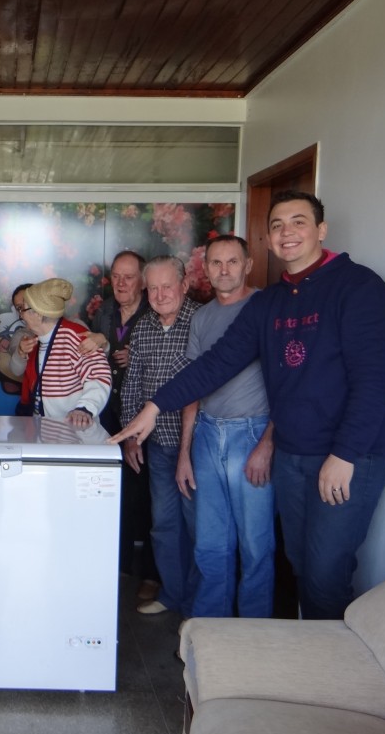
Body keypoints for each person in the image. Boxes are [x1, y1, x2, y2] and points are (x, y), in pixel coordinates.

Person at [110, 191, 385, 620]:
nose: (287, 232)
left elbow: (375, 379)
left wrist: (345, 453)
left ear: (321, 230)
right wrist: (154, 407)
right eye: (277, 225)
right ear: (269, 238)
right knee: (301, 566)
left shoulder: (359, 286)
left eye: (299, 222)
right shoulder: (270, 302)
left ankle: (327, 661)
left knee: (325, 573)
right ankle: (290, 650)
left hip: (350, 453)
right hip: (295, 450)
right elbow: (217, 363)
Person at [175, 236, 275, 618]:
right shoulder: (201, 318)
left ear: (248, 265)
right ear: (205, 269)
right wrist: (185, 452)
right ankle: (209, 631)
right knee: (210, 544)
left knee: (256, 545)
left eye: (232, 261)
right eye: (216, 263)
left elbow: (287, 385)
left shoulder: (266, 308)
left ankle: (252, 636)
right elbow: (193, 385)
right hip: (206, 434)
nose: (224, 270)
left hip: (251, 433)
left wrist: (267, 443)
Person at [117, 256, 201, 618]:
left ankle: (198, 607)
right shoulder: (144, 326)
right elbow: (132, 382)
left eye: (168, 286)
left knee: (199, 528)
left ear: (184, 285)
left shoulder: (201, 321)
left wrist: (188, 449)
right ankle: (172, 596)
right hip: (157, 444)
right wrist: (131, 437)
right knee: (164, 526)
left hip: (196, 445)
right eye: (153, 288)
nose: (160, 294)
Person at [84, 251, 160, 596]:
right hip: (110, 414)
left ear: (143, 281)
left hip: (149, 416)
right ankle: (120, 567)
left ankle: (152, 575)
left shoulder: (155, 312)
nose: (121, 283)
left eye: (129, 277)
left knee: (151, 496)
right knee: (116, 493)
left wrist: (137, 354)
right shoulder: (103, 313)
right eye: (116, 276)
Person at [8, 277, 112, 426]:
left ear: (38, 313)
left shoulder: (75, 336)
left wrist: (84, 409)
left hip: (72, 432)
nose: (21, 316)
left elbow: (99, 375)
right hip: (46, 429)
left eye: (23, 309)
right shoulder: (39, 339)